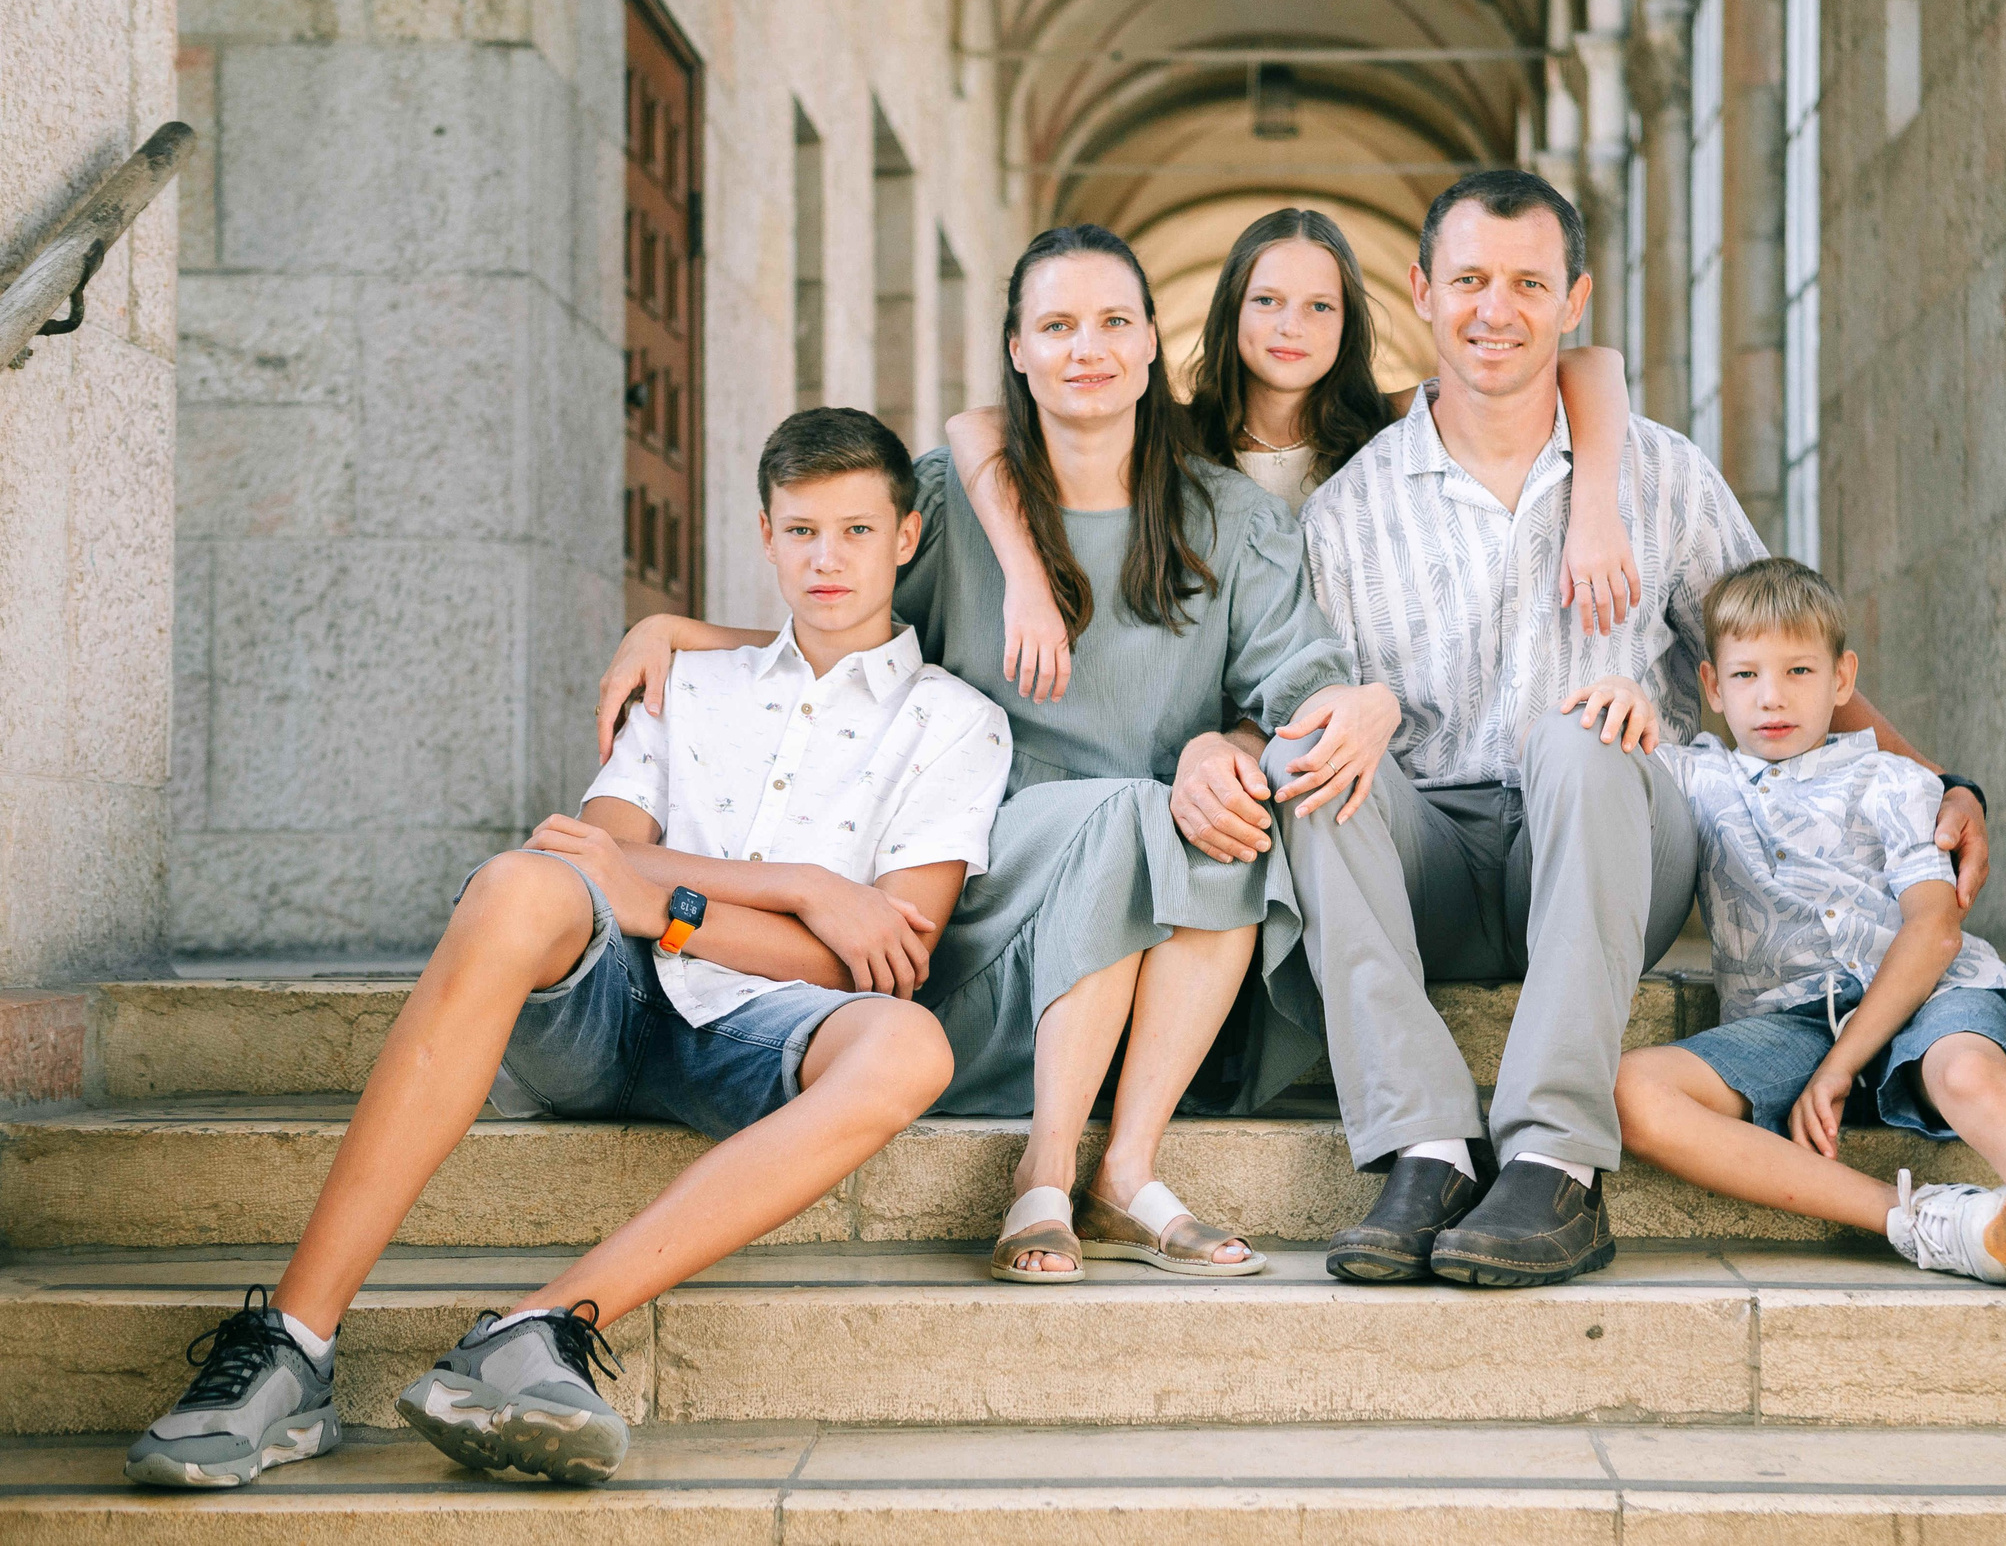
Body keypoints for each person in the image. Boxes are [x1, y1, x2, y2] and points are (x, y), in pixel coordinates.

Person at [124, 408, 1003, 1490]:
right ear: (765, 535)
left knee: (908, 1045)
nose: (827, 559)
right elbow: (590, 861)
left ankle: (536, 1333)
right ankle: (293, 1348)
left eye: (858, 532)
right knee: (513, 888)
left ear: (906, 539)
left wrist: (667, 900)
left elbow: (869, 963)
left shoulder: (954, 722)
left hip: (763, 1036)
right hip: (603, 1011)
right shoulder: (685, 682)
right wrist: (804, 887)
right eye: (802, 530)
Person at [600, 225, 1395, 1285]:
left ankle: (1129, 1169)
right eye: (1056, 325)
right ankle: (1045, 1167)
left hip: (1163, 866)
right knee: (1132, 813)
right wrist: (682, 634)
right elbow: (849, 634)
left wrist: (1236, 742)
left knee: (1228, 816)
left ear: (1154, 342)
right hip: (976, 864)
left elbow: (1293, 684)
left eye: (1114, 322)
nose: (1087, 348)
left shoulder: (1231, 516)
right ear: (1016, 349)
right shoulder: (948, 498)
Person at [1270, 168, 1993, 1288]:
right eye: (1467, 279)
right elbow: (1296, 696)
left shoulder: (1655, 475)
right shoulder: (1347, 511)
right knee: (1303, 757)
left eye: (1526, 283)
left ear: (1575, 300)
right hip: (1435, 858)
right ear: (1420, 289)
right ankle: (1422, 1144)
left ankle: (1554, 1159)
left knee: (1581, 735)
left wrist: (1935, 781)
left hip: (1612, 843)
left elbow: (1780, 651)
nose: (1493, 310)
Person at [1616, 556, 2006, 1487]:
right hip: (1787, 1018)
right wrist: (1615, 697)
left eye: (1798, 672)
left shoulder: (1894, 784)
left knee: (1965, 1075)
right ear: (1710, 685)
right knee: (1635, 1090)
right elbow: (1622, 748)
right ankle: (1917, 1220)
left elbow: (1935, 925)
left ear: (1844, 680)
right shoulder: (1700, 780)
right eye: (1744, 675)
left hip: (1926, 1000)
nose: (1771, 697)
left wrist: (1841, 1066)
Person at [943, 206, 1651, 708]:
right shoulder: (1176, 434)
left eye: (1321, 307)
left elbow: (1591, 365)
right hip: (1205, 709)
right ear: (1233, 310)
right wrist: (1025, 578)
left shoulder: (1392, 423)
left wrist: (1594, 509)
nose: (1292, 327)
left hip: (1346, 700)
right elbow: (977, 428)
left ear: (1348, 324)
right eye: (1268, 301)